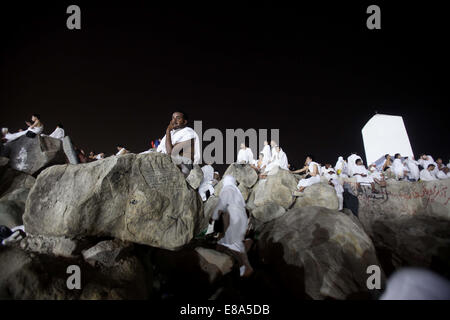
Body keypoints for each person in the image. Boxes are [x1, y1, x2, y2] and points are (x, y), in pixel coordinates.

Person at [210, 175, 253, 277]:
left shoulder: (227, 189)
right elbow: (244, 209)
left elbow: (221, 206)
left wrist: (213, 217)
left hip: (232, 219)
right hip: (239, 219)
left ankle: (244, 268)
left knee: (232, 244)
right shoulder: (236, 191)